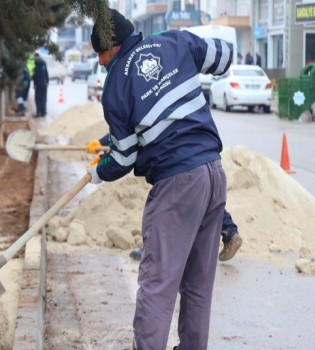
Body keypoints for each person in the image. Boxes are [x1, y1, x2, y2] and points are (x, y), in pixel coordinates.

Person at [87, 9, 232, 350]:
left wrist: (97, 172)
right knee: (198, 285)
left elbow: (124, 158)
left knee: (158, 284)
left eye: (100, 54)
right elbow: (224, 57)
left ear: (112, 48)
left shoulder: (116, 86)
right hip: (212, 175)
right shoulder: (173, 41)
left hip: (177, 186)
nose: (99, 62)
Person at [87, 138, 244, 262]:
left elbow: (128, 131)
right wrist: (102, 142)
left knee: (164, 205)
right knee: (204, 196)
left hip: (173, 161)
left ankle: (154, 250)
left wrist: (103, 161)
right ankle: (229, 231)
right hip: (200, 153)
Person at [32, 53, 49, 117]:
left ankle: (38, 112)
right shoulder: (44, 63)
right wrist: (47, 81)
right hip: (44, 84)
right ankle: (43, 112)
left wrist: (35, 84)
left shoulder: (36, 63)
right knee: (43, 98)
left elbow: (36, 75)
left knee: (38, 98)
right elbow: (46, 73)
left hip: (38, 84)